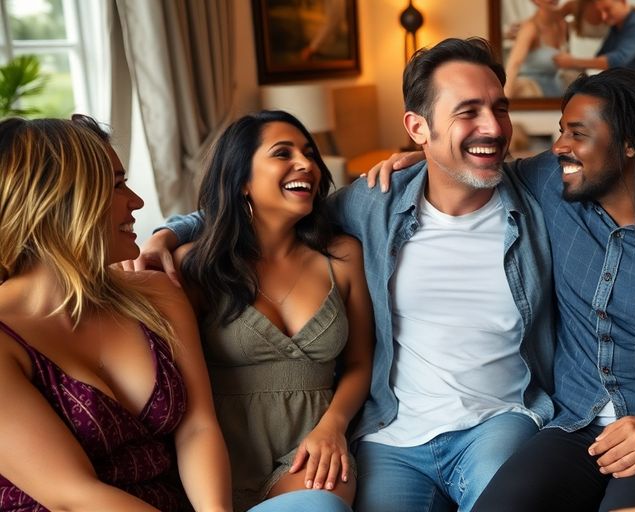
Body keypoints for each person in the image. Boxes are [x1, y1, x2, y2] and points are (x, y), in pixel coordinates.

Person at [134, 38, 556, 512]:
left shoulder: (540, 193)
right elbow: (239, 217)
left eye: (500, 108)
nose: (493, 127)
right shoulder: (373, 204)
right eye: (468, 111)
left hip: (496, 421)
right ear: (418, 127)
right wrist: (166, 233)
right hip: (391, 433)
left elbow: (604, 163)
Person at [369, 67, 635, 512]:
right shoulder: (551, 182)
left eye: (577, 134)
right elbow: (469, 166)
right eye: (561, 131)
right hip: (574, 425)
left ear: (630, 142)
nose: (559, 146)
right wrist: (420, 157)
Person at [0, 116, 231, 511]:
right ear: (59, 200)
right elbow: (72, 495)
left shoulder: (157, 296)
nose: (137, 201)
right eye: (117, 184)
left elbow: (198, 428)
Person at [170, 110, 373, 512]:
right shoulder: (193, 266)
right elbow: (180, 385)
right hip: (220, 454)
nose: (306, 164)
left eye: (309, 153)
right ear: (241, 180)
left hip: (312, 446)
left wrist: (333, 426)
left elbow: (360, 362)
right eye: (283, 153)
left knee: (322, 507)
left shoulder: (343, 256)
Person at [553, 0, 635, 85]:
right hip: (627, 87)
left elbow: (617, 60)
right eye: (601, 12)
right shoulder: (616, 25)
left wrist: (573, 61)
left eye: (607, 10)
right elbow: (602, 55)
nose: (603, 17)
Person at [504, 0, 570, 98]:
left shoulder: (563, 24)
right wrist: (504, 99)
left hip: (555, 87)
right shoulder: (530, 28)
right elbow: (514, 64)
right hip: (532, 90)